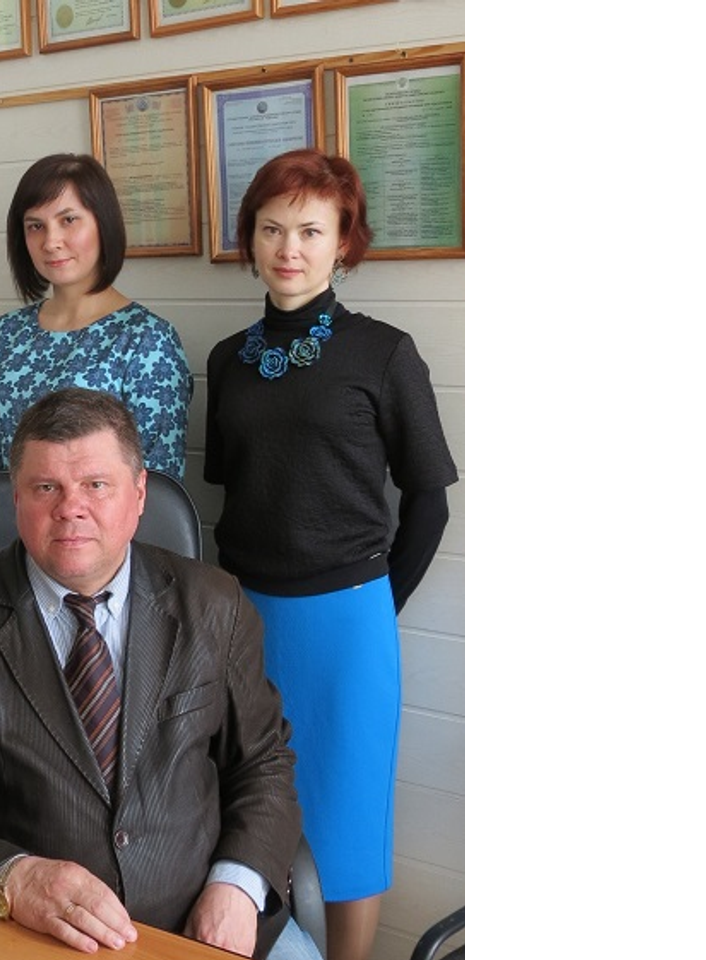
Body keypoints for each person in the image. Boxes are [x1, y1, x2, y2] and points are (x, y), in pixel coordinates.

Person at [0, 387, 320, 960]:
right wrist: (15, 878)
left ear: (138, 495)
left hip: (206, 920)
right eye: (46, 488)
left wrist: (238, 884)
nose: (71, 508)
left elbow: (263, 761)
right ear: (16, 498)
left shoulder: (215, 604)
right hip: (34, 933)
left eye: (96, 485)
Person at [203, 149, 458, 960]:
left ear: (344, 242)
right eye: (271, 228)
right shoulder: (227, 360)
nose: (290, 248)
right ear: (250, 239)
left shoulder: (384, 352)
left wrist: (375, 605)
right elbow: (230, 493)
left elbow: (429, 501)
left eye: (311, 230)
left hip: (349, 624)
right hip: (245, 619)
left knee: (346, 825)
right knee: (249, 807)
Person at [0, 153, 192, 481]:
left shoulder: (147, 340)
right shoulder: (5, 332)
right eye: (36, 226)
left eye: (68, 220)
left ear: (103, 224)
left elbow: (158, 484)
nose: (51, 242)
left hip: (95, 517)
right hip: (0, 512)